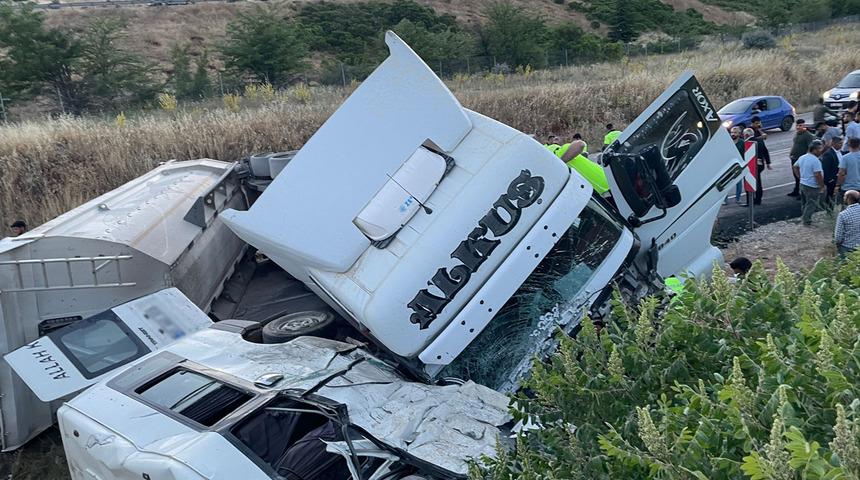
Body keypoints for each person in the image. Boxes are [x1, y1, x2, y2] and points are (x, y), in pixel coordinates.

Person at [545, 135, 609, 194]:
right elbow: (580, 144)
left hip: (598, 190)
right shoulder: (560, 151)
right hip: (605, 183)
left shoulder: (555, 167)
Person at [793, 139, 826, 226]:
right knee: (811, 204)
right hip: (812, 186)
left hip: (803, 184)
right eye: (819, 149)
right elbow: (818, 174)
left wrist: (800, 177)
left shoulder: (802, 157)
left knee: (804, 203)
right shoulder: (815, 160)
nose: (821, 151)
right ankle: (806, 221)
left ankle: (803, 217)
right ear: (814, 149)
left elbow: (795, 166)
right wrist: (822, 186)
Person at [789, 119, 815, 197]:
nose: (798, 127)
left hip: (801, 159)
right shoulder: (797, 134)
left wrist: (805, 159)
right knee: (796, 176)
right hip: (794, 158)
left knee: (801, 177)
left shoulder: (808, 135)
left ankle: (802, 193)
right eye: (797, 125)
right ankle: (796, 191)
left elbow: (810, 148)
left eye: (800, 125)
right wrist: (791, 153)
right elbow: (795, 144)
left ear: (804, 126)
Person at [746, 123, 771, 205]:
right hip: (760, 164)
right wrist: (768, 163)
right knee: (758, 182)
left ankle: (750, 200)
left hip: (752, 165)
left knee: (751, 182)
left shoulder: (748, 142)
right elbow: (765, 151)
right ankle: (758, 199)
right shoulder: (760, 141)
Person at [834, 189, 860, 258]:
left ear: (848, 199)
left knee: (843, 266)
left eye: (844, 196)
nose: (843, 198)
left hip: (847, 247)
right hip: (859, 247)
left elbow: (838, 237)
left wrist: (837, 244)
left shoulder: (843, 214)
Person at [821, 136, 843, 210]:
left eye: (842, 143)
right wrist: (830, 180)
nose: (841, 145)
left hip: (840, 178)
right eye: (839, 143)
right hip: (833, 179)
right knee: (830, 195)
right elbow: (825, 169)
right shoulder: (828, 154)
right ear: (833, 143)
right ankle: (829, 210)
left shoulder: (841, 152)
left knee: (840, 195)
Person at [725, 126, 744, 204]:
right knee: (726, 183)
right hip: (728, 166)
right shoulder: (727, 142)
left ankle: (738, 199)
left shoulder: (742, 142)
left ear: (739, 134)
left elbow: (744, 154)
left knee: (738, 182)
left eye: (735, 132)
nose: (733, 134)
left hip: (738, 165)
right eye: (732, 132)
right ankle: (725, 199)